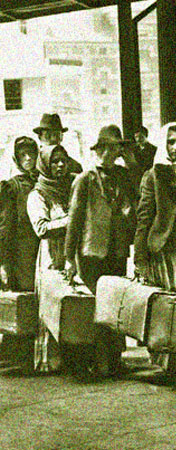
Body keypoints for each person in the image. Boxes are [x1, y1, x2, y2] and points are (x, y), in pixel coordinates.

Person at [63, 125, 139, 376]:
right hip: (91, 251)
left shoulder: (123, 175)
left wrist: (131, 162)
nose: (113, 153)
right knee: (96, 306)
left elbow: (139, 191)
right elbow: (74, 221)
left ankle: (115, 360)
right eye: (109, 148)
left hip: (117, 250)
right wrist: (69, 258)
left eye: (117, 148)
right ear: (100, 150)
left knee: (115, 305)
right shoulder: (84, 179)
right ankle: (97, 360)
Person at [134, 122, 176, 381]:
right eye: (170, 142)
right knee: (170, 304)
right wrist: (140, 258)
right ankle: (170, 364)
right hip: (167, 248)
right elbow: (144, 218)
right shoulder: (153, 175)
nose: (175, 147)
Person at [27, 144, 73, 372]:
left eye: (63, 160)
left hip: (71, 254)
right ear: (45, 165)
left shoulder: (71, 188)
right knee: (51, 306)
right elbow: (42, 228)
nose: (60, 165)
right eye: (55, 162)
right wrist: (71, 220)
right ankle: (50, 360)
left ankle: (74, 358)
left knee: (71, 306)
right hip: (51, 256)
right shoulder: (37, 195)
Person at [0, 136, 40, 372]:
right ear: (16, 158)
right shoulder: (11, 187)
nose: (28, 159)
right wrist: (3, 261)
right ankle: (16, 355)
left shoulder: (41, 181)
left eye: (31, 154)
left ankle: (33, 353)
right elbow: (5, 227)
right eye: (23, 155)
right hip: (21, 252)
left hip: (39, 250)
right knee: (22, 299)